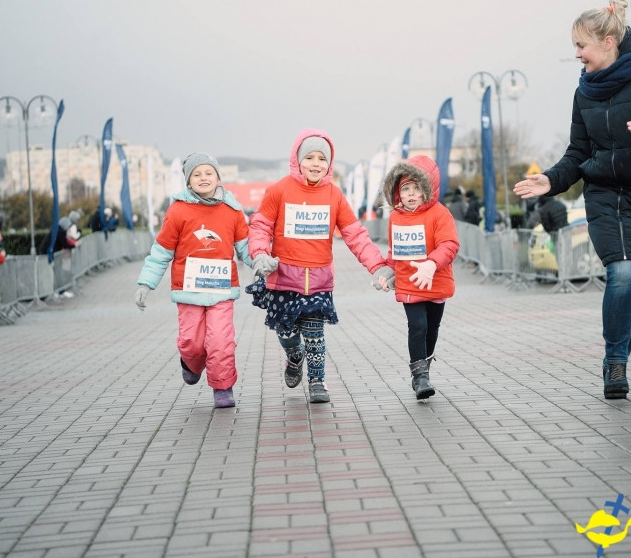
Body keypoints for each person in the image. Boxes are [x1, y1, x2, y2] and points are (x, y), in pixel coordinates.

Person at [513, 0, 631, 400]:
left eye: (582, 46)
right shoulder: (585, 93)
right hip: (607, 197)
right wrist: (550, 181)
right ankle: (615, 361)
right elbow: (578, 155)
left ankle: (619, 356)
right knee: (623, 274)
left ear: (608, 41)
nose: (576, 55)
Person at [245, 129, 393, 404]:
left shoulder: (334, 195)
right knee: (287, 334)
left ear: (329, 164)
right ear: (297, 160)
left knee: (315, 334)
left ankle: (317, 382)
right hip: (283, 279)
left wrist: (378, 266)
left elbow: (355, 234)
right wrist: (260, 254)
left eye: (321, 159)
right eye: (309, 157)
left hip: (318, 281)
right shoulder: (278, 191)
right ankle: (294, 355)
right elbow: (260, 225)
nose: (315, 163)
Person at [134, 152, 253, 408]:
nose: (203, 178)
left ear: (218, 178)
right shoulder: (178, 211)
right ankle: (190, 363)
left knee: (220, 341)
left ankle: (223, 388)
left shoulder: (232, 210)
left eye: (209, 173)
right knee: (192, 343)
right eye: (196, 174)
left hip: (221, 291)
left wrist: (262, 261)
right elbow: (161, 251)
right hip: (188, 291)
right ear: (188, 181)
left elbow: (246, 247)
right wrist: (146, 283)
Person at [376, 155, 459, 400]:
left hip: (436, 282)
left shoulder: (440, 213)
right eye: (405, 189)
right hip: (409, 283)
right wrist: (388, 272)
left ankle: (424, 368)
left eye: (416, 188)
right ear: (397, 193)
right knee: (418, 326)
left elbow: (449, 244)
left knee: (432, 328)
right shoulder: (395, 218)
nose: (411, 194)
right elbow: (395, 252)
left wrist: (432, 264)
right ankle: (420, 376)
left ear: (427, 189)